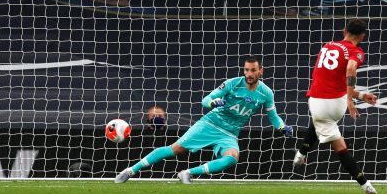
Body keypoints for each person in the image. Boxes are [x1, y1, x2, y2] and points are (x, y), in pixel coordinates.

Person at [115, 55, 293, 184]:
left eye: (253, 70)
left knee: (232, 157)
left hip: (230, 133)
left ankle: (187, 173)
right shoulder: (232, 83)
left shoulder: (266, 93)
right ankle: (130, 170)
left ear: (261, 70)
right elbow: (206, 99)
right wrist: (213, 102)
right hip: (211, 123)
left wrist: (282, 127)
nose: (249, 73)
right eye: (247, 69)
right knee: (175, 149)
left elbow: (273, 116)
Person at [293, 18, 378, 194]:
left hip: (316, 100)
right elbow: (351, 68)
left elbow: (332, 81)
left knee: (321, 122)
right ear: (362, 36)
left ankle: (300, 155)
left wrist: (361, 96)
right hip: (335, 104)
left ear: (343, 31)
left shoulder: (327, 46)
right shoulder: (356, 51)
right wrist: (349, 99)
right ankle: (365, 184)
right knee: (339, 145)